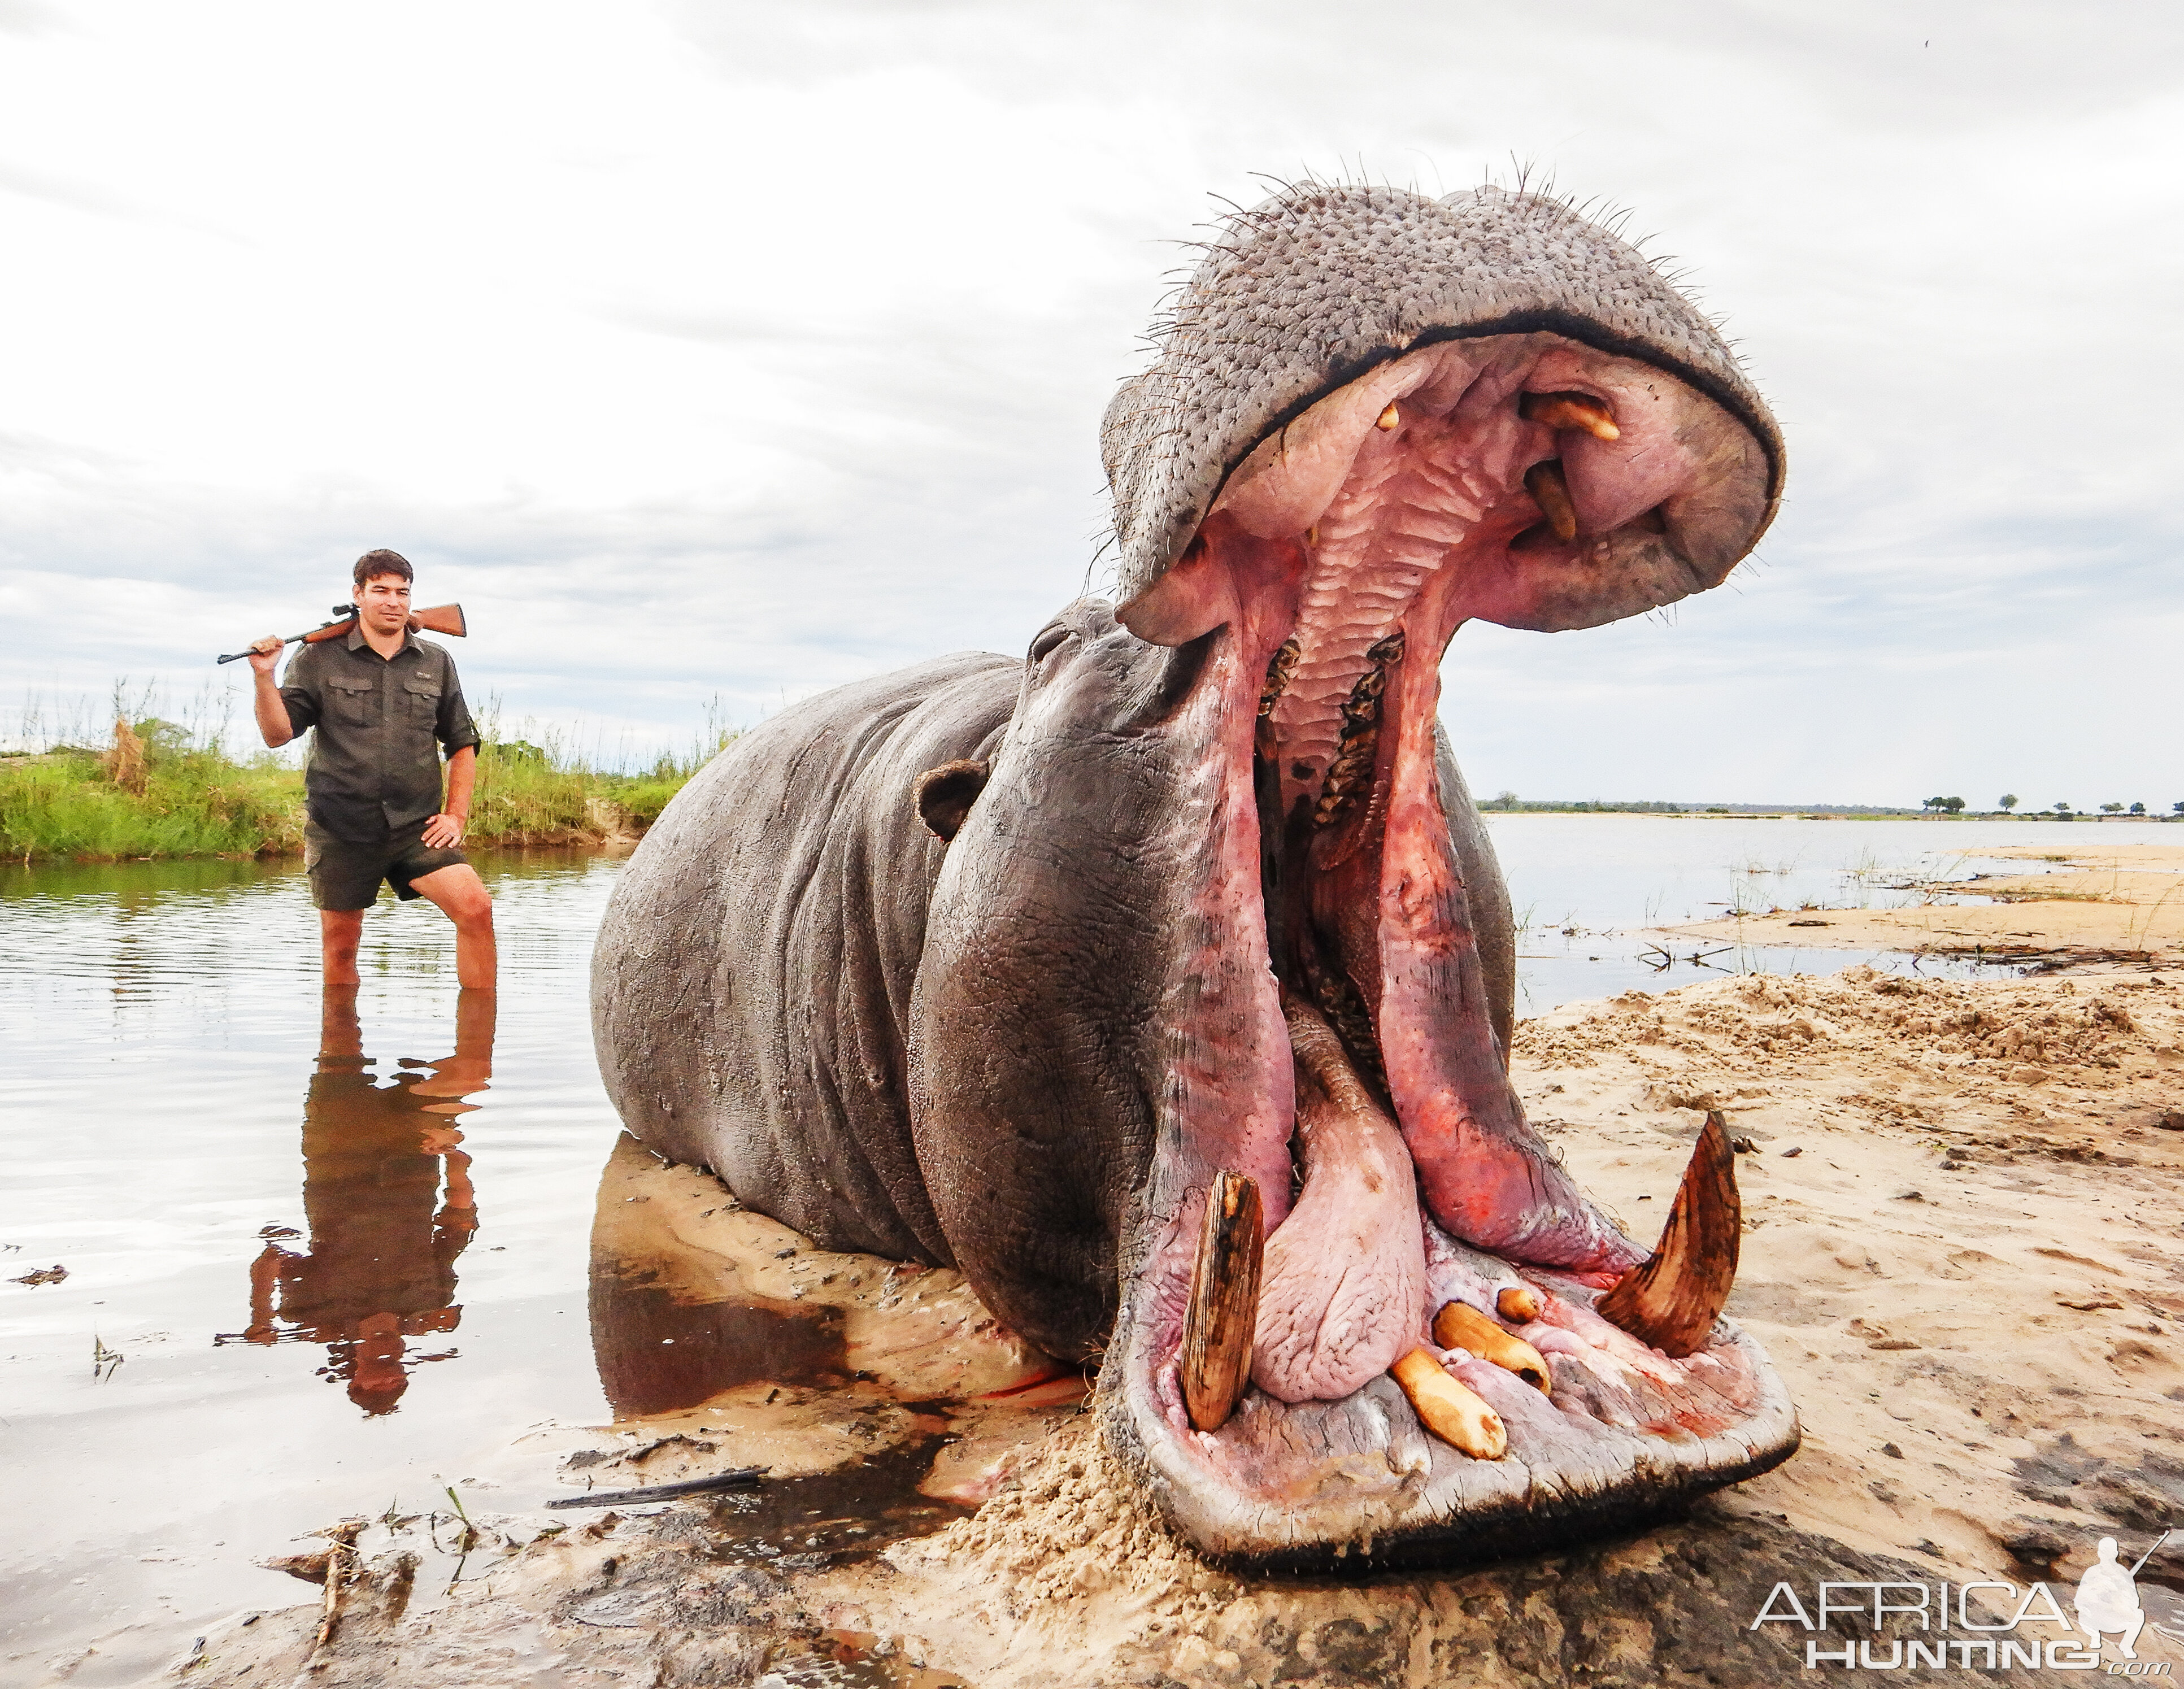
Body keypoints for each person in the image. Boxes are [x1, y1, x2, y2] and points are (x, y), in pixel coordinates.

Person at [248, 549, 495, 987]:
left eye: (403, 592)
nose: (393, 601)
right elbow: (277, 734)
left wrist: (456, 816)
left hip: (416, 828)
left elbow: (462, 744)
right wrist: (264, 678)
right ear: (358, 595)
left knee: (476, 908)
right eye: (380, 590)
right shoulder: (316, 658)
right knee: (340, 949)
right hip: (341, 828)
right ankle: (342, 1053)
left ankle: (475, 1053)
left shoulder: (435, 661)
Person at [2075, 1536, 2145, 1659]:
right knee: (2083, 1613)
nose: (2106, 1556)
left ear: (2116, 1554)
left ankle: (2126, 1646)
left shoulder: (2123, 1573)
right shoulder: (2092, 1572)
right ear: (2099, 1553)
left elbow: (2135, 1601)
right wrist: (2097, 1591)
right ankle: (2095, 1637)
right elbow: (2079, 1601)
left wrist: (2119, 1595)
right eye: (2104, 1552)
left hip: (2115, 1619)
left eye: (2110, 1552)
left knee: (2139, 1614)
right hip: (2094, 1619)